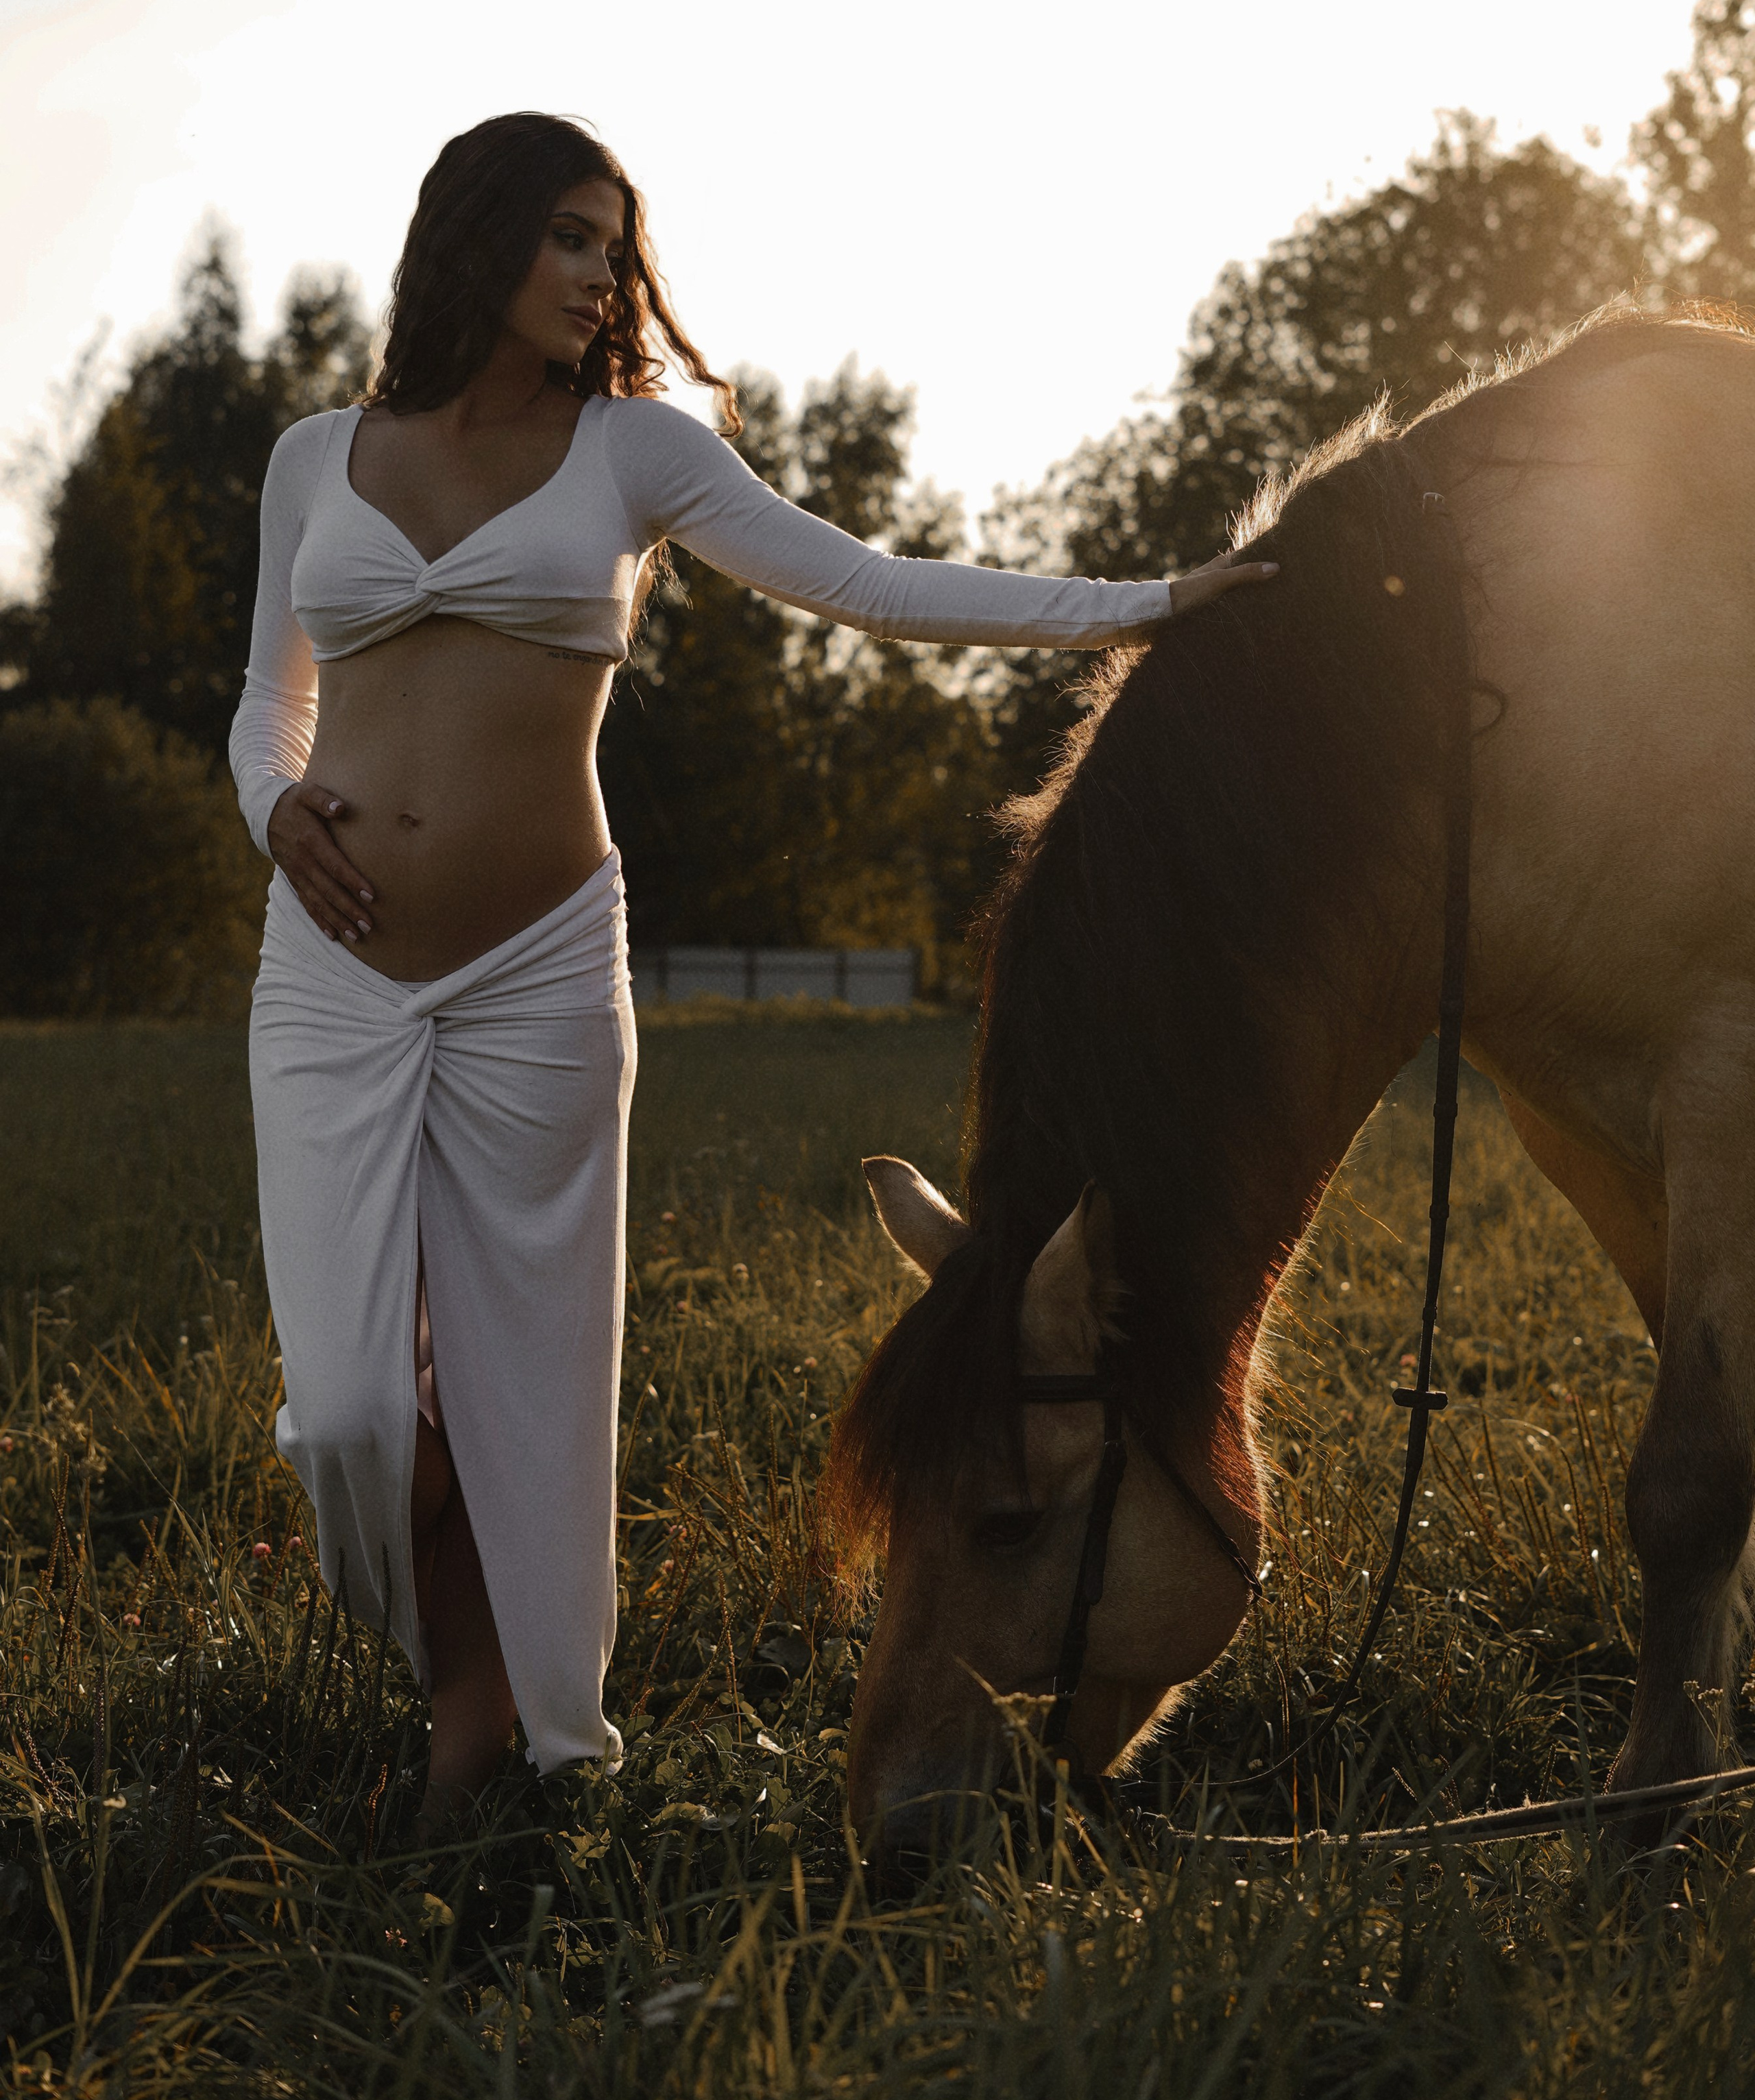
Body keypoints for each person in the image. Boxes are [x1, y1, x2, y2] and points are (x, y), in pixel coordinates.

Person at [229, 110, 1276, 1835]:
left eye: (612, 249)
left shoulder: (631, 454)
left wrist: (1151, 601)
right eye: (568, 236)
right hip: (331, 971)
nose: (597, 278)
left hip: (537, 975)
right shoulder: (313, 458)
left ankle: (482, 1741)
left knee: (521, 1391)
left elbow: (866, 586)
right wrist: (277, 811)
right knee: (348, 1415)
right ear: (477, 237)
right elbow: (266, 707)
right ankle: (470, 1693)